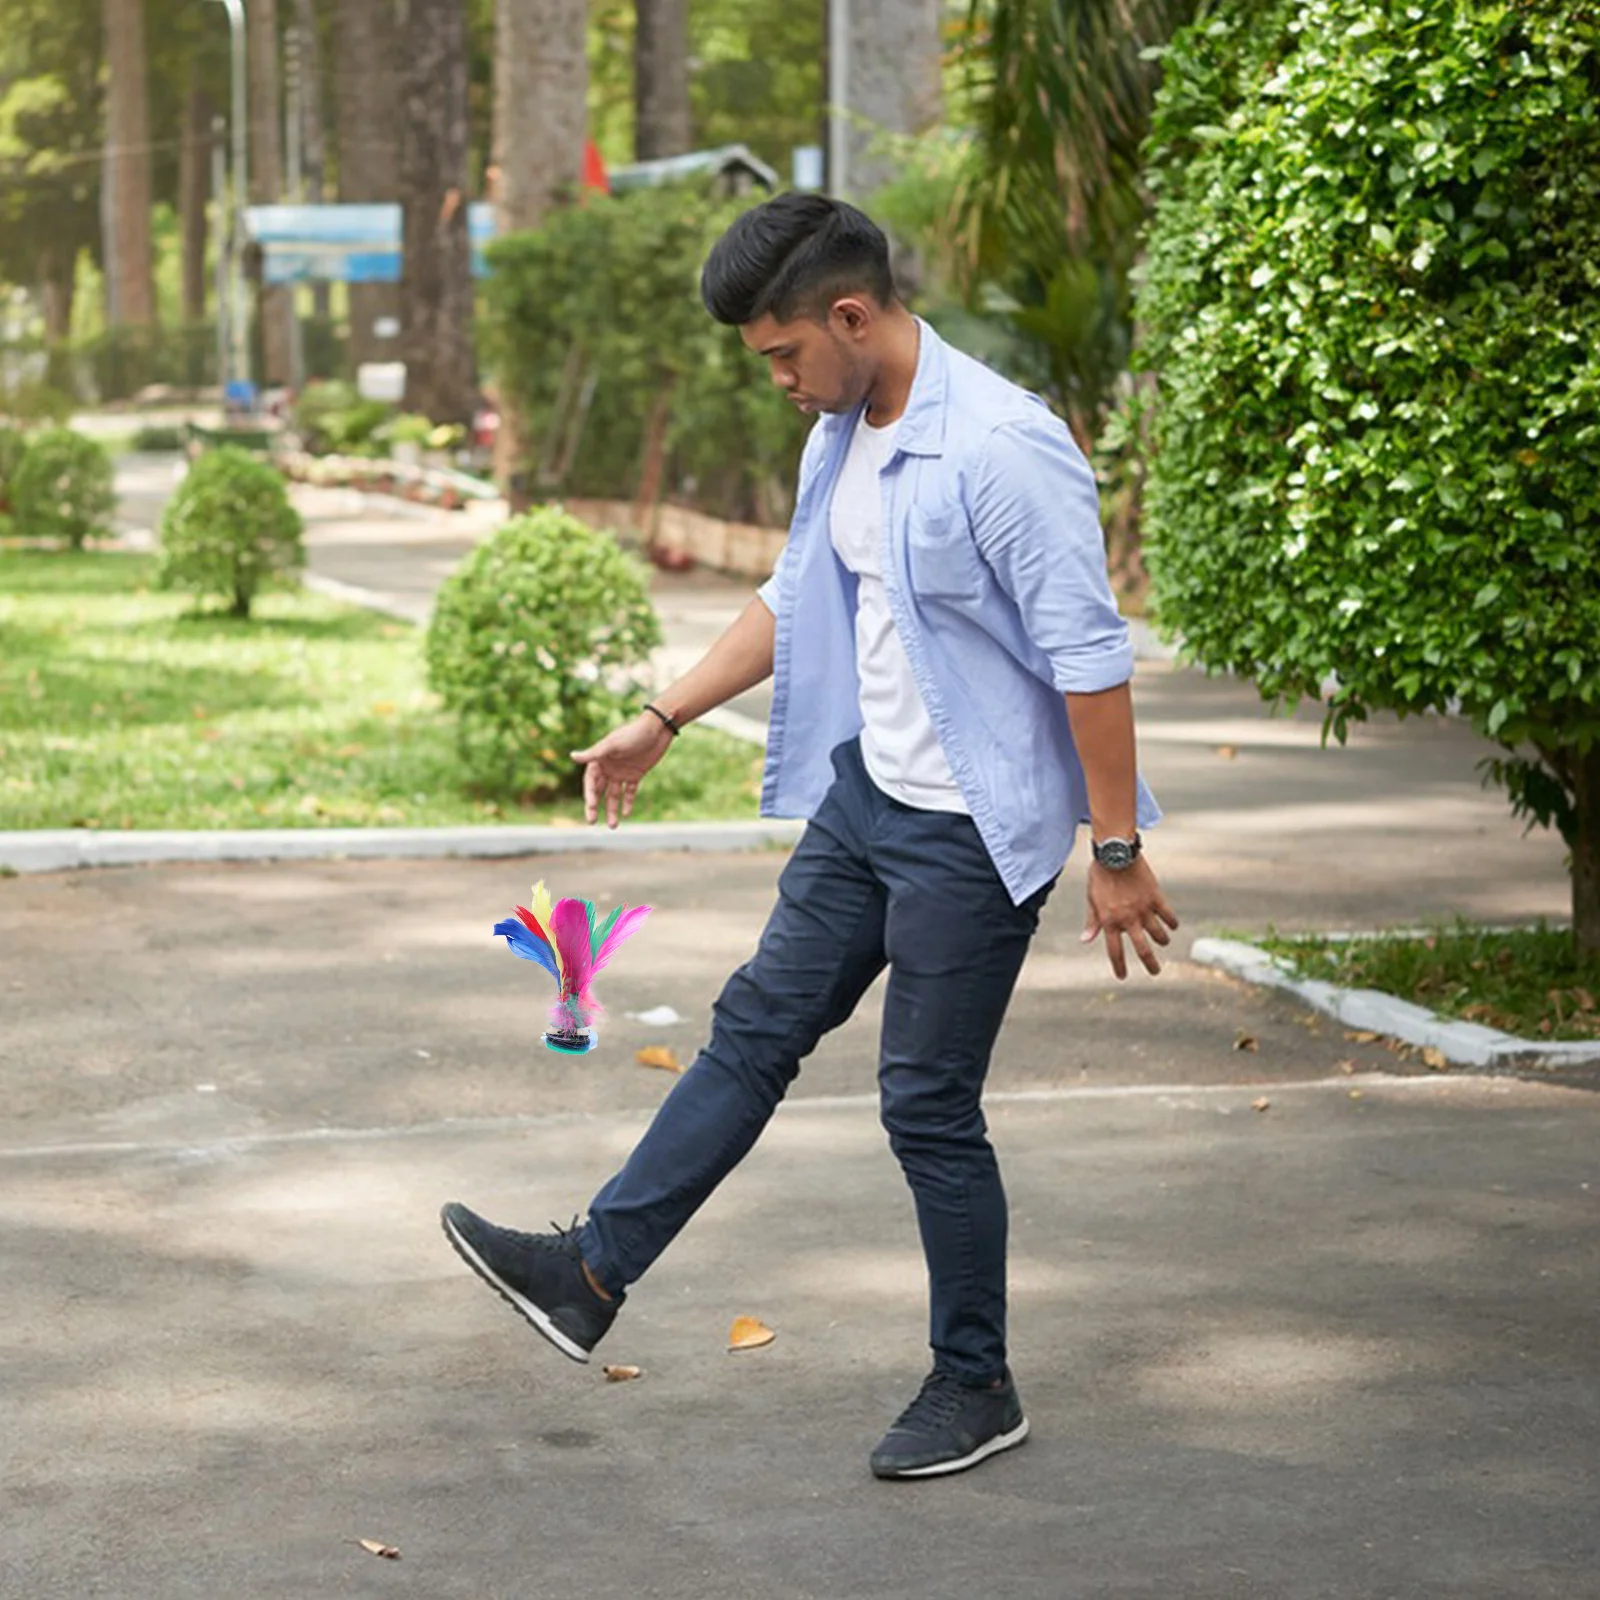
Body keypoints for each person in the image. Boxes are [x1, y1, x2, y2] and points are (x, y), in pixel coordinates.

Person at [441, 194, 1178, 1481]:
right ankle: (589, 1274)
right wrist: (663, 713)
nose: (778, 381)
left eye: (784, 354)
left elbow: (1089, 657)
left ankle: (975, 1379)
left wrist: (1113, 851)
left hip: (968, 829)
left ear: (852, 316)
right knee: (752, 1031)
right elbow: (799, 594)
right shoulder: (839, 432)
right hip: (868, 798)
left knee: (926, 1106)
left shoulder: (1003, 447)